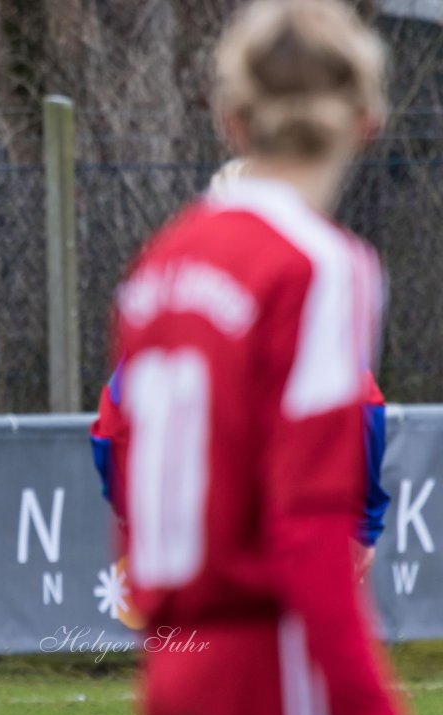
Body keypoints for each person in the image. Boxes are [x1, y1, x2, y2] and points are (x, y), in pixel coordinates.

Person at [108, 1, 432, 715]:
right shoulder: (322, 265)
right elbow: (310, 520)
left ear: (232, 117)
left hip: (177, 668)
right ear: (367, 120)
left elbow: (128, 461)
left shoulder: (165, 261)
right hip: (269, 670)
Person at [91, 158, 391, 583]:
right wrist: (362, 527)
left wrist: (137, 519)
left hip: (186, 550)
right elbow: (363, 409)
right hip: (278, 549)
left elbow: (112, 429)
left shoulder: (160, 295)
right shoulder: (306, 290)